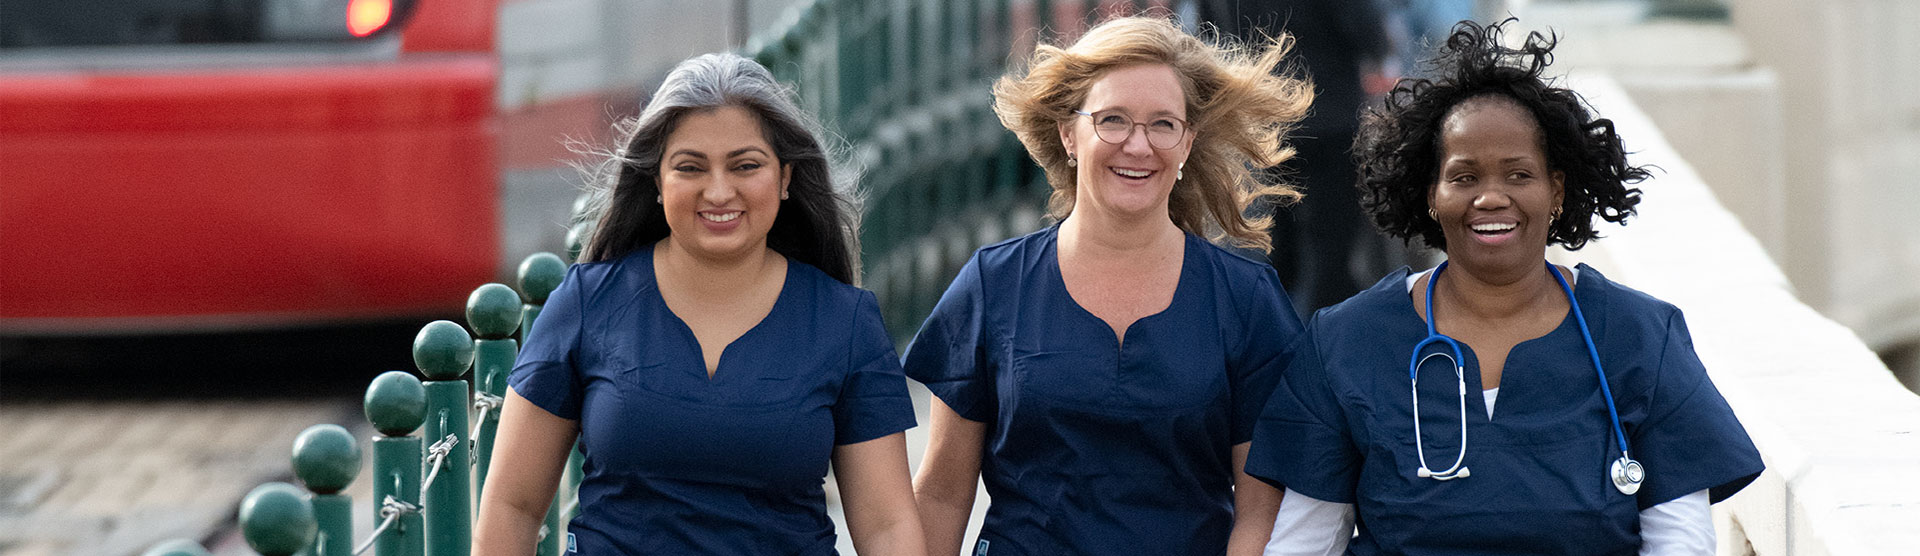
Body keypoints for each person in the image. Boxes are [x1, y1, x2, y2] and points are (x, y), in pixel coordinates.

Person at [1246, 20, 1765, 554]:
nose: (1491, 198)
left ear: (1556, 189)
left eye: (1518, 175)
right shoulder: (1347, 342)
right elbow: (1305, 541)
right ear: (1431, 193)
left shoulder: (1639, 336)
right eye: (1465, 177)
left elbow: (1680, 540)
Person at [474, 53, 925, 555]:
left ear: (785, 178)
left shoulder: (845, 322)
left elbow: (887, 526)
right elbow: (511, 505)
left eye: (745, 165)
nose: (718, 190)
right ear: (657, 181)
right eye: (690, 167)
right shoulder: (586, 303)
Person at [905, 15, 1314, 556]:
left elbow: (1262, 511)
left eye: (1163, 124)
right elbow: (940, 496)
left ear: (1188, 141)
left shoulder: (1246, 299)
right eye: (1112, 120)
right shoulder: (992, 285)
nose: (1138, 146)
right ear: (1068, 134)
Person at [1191, 0, 1402, 318]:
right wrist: (1382, 53)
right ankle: (1318, 351)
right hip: (1329, 120)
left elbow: (1211, 41)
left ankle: (1269, 344)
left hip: (1259, 126)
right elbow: (1365, 29)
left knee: (1270, 247)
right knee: (1330, 250)